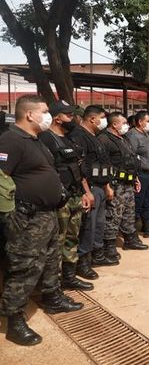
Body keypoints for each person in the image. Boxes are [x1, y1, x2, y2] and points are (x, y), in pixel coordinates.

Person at [0, 95, 83, 346]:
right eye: (44, 111)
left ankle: (53, 298)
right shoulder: (11, 140)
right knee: (24, 267)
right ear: (29, 115)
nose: (48, 115)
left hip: (47, 215)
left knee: (50, 258)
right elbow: (1, 179)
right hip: (27, 217)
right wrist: (10, 215)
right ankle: (14, 320)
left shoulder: (36, 140)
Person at [39, 100, 94, 292]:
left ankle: (69, 277)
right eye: (69, 115)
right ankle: (53, 285)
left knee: (72, 238)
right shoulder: (45, 139)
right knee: (57, 242)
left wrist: (86, 192)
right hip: (59, 200)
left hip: (75, 196)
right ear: (57, 118)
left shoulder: (70, 138)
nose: (73, 118)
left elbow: (79, 168)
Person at [98, 112, 149, 261]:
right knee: (113, 215)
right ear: (114, 124)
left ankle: (130, 239)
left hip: (128, 182)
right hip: (116, 184)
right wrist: (107, 185)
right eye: (123, 123)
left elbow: (130, 160)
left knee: (128, 212)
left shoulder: (124, 139)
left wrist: (135, 178)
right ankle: (109, 245)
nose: (126, 125)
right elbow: (103, 164)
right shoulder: (104, 139)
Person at [69, 105, 114, 276]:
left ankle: (97, 255)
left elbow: (102, 163)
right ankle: (83, 263)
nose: (104, 121)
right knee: (88, 226)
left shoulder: (95, 136)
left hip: (100, 187)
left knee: (99, 224)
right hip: (90, 188)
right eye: (102, 117)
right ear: (92, 119)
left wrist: (107, 186)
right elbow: (80, 167)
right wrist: (86, 191)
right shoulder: (79, 136)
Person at [126, 111, 149, 237]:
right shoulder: (133, 135)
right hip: (140, 174)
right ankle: (133, 232)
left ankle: (148, 228)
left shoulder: (146, 134)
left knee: (148, 202)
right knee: (138, 203)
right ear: (140, 122)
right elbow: (131, 156)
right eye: (147, 121)